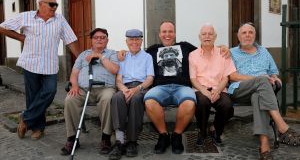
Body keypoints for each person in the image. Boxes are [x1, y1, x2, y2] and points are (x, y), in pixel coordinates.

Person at [0, 0, 79, 140]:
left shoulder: (59, 20)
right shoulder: (26, 16)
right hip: (30, 63)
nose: (55, 7)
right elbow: (3, 27)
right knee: (33, 97)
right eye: (51, 4)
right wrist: (21, 37)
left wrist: (81, 59)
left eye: (56, 4)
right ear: (41, 4)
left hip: (50, 65)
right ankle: (38, 129)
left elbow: (71, 40)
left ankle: (25, 118)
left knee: (50, 91)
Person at [143, 21, 229, 154]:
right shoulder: (152, 50)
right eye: (164, 32)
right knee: (149, 101)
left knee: (189, 103)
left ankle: (177, 135)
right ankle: (163, 135)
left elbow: (206, 47)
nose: (167, 34)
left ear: (175, 33)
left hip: (182, 87)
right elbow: (136, 54)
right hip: (160, 88)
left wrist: (223, 47)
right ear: (159, 34)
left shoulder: (185, 46)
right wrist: (123, 52)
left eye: (170, 31)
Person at [229, 23, 300, 159]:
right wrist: (259, 78)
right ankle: (282, 127)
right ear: (238, 36)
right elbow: (232, 76)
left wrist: (275, 79)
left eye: (251, 32)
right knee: (262, 80)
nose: (247, 35)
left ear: (255, 35)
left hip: (262, 90)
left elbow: (273, 72)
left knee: (258, 97)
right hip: (240, 90)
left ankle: (264, 144)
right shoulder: (231, 52)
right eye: (244, 32)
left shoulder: (264, 52)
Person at [61, 28, 119, 155]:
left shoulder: (112, 54)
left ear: (107, 40)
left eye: (102, 37)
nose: (99, 39)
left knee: (108, 99)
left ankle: (106, 137)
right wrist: (74, 85)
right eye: (96, 37)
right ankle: (72, 138)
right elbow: (74, 73)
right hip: (83, 89)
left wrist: (100, 56)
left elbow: (114, 70)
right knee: (70, 100)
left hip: (105, 88)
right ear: (91, 40)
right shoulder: (83, 55)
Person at [109, 29, 154, 160]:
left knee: (136, 100)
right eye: (131, 40)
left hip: (141, 87)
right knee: (117, 98)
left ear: (141, 41)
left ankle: (132, 142)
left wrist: (137, 89)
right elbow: (118, 80)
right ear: (126, 42)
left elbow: (150, 78)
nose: (134, 42)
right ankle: (119, 141)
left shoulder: (147, 57)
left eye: (137, 39)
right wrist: (124, 90)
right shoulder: (122, 57)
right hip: (125, 87)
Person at [189, 24, 235, 146]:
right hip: (200, 89)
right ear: (199, 37)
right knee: (202, 102)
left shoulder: (223, 53)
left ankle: (216, 129)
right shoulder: (193, 55)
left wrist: (218, 90)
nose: (207, 36)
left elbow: (226, 76)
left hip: (219, 88)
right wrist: (205, 92)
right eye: (204, 34)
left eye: (210, 34)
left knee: (227, 106)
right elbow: (193, 79)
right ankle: (202, 131)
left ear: (215, 37)